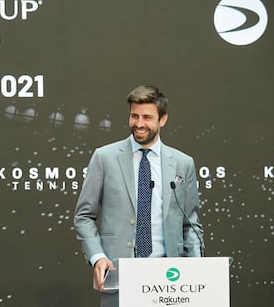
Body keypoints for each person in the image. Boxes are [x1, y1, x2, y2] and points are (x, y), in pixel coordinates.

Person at [73, 85, 204, 307]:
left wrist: (197, 269)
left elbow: (190, 224)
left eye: (147, 117)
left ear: (163, 120)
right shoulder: (105, 157)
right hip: (119, 276)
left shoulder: (183, 163)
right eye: (134, 116)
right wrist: (98, 257)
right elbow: (83, 216)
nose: (139, 123)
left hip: (171, 280)